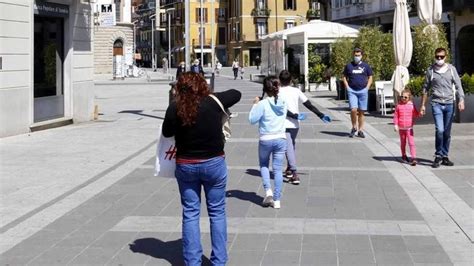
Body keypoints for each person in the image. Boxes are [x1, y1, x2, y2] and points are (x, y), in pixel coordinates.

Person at [162, 72, 242, 265]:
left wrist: (174, 101)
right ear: (202, 85)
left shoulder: (175, 108)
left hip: (186, 165)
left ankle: (193, 262)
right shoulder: (213, 102)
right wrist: (211, 94)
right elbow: (236, 93)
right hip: (214, 163)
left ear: (179, 89)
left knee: (190, 213)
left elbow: (166, 132)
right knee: (217, 212)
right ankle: (219, 261)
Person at [278, 70, 331, 184]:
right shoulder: (296, 91)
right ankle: (289, 168)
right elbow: (308, 105)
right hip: (295, 125)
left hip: (282, 124)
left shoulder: (277, 92)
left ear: (280, 81)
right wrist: (320, 115)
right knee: (291, 144)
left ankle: (294, 173)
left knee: (288, 147)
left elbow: (280, 109)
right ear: (291, 80)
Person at [420, 47, 465, 168]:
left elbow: (458, 85)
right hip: (437, 103)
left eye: (441, 57)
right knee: (439, 130)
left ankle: (445, 155)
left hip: (450, 103)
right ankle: (438, 155)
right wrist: (423, 105)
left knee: (447, 131)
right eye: (437, 57)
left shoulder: (451, 69)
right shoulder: (431, 71)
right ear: (434, 56)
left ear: (446, 57)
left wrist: (461, 99)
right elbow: (425, 88)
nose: (439, 59)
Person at [249, 76, 287, 209]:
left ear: (265, 88)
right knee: (277, 170)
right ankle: (277, 200)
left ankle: (268, 192)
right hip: (281, 138)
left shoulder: (262, 104)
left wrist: (255, 104)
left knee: (264, 165)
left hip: (266, 138)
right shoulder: (283, 102)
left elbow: (252, 120)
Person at [342, 48, 373, 138]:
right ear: (353, 55)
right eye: (355, 55)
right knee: (353, 109)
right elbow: (344, 77)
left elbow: (370, 77)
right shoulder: (349, 66)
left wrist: (367, 87)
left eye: (358, 55)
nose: (357, 57)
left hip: (363, 90)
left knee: (361, 112)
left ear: (361, 56)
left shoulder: (366, 66)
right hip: (352, 91)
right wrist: (347, 87)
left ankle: (360, 130)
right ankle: (354, 127)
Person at [393, 89, 420, 166]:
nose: (403, 98)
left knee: (411, 143)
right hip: (401, 128)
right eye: (402, 97)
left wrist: (420, 113)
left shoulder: (411, 105)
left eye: (405, 97)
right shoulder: (398, 106)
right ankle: (403, 155)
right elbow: (396, 116)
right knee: (403, 143)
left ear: (409, 97)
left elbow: (415, 114)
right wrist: (396, 124)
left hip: (409, 128)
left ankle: (413, 157)